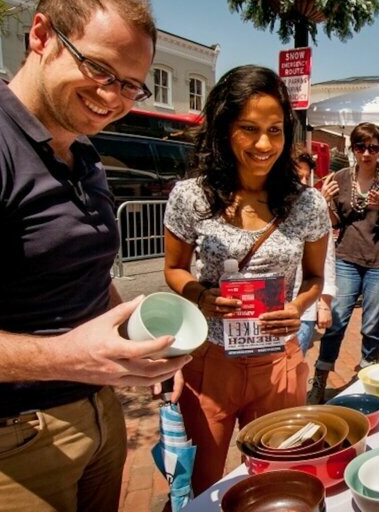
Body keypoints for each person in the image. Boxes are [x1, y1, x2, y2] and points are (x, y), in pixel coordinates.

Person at [0, 0, 190, 510]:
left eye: (130, 85)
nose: (112, 96)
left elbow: (84, 275)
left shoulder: (84, 154)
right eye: (99, 69)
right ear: (42, 36)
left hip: (96, 418)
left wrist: (144, 345)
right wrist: (63, 357)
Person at [163, 65, 330, 494]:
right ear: (224, 129)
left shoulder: (308, 203)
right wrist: (201, 295)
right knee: (202, 484)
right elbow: (174, 268)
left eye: (275, 130)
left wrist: (297, 307)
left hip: (278, 363)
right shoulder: (191, 196)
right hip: (210, 361)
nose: (264, 144)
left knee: (273, 479)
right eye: (249, 129)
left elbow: (314, 276)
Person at [307, 122, 379, 404]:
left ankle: (368, 375)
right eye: (360, 147)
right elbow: (334, 223)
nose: (366, 153)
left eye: (373, 148)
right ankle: (321, 376)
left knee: (371, 324)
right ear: (352, 149)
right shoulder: (341, 178)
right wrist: (325, 202)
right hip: (348, 257)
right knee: (337, 319)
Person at [294, 146, 336, 353]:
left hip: (303, 309)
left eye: (307, 177)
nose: (303, 183)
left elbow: (326, 258)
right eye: (297, 177)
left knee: (294, 363)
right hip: (262, 308)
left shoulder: (314, 208)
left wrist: (324, 303)